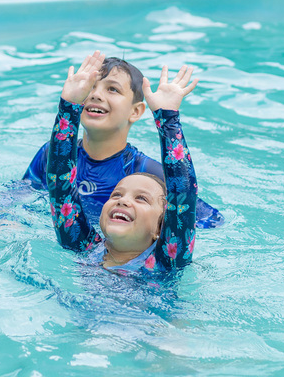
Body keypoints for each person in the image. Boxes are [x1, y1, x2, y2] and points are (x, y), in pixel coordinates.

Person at [23, 55, 223, 228]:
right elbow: (19, 192)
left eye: (112, 89)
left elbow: (208, 218)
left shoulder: (146, 172)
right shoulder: (52, 154)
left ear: (135, 111)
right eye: (90, 87)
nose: (96, 94)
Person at [46, 51, 198, 275]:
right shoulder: (83, 246)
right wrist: (70, 105)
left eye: (141, 198)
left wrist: (167, 118)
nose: (123, 201)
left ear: (160, 228)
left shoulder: (166, 261)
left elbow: (183, 195)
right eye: (116, 195)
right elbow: (61, 187)